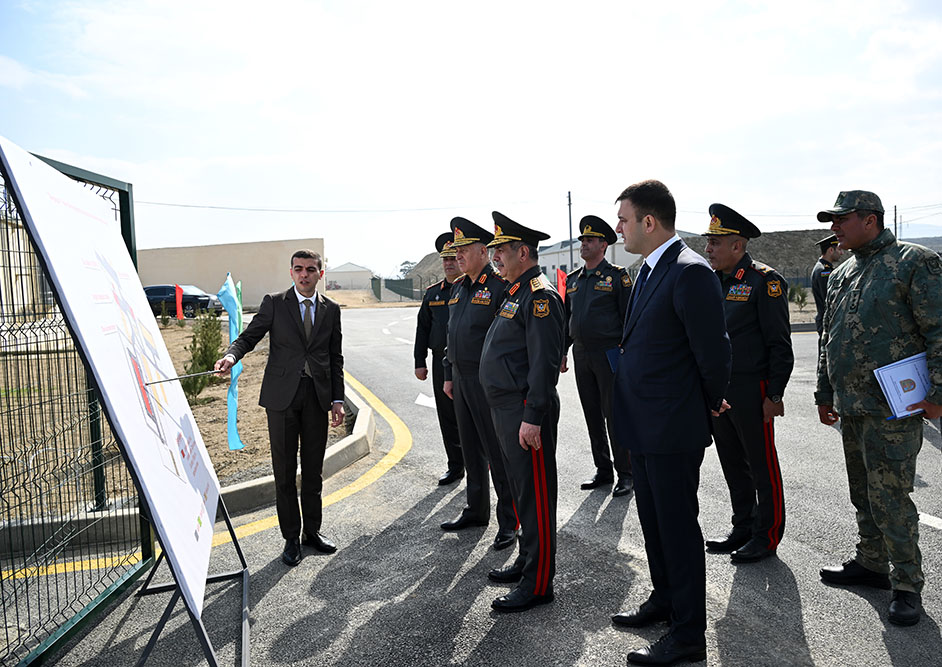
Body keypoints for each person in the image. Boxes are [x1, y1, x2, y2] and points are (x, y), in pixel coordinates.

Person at [610, 180, 730, 666]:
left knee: (678, 529)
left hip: (671, 426)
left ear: (649, 222)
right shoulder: (647, 271)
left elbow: (714, 352)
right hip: (644, 422)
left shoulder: (689, 272)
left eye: (623, 219)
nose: (618, 227)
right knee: (654, 524)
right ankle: (665, 600)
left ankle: (687, 635)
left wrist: (705, 402)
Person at [815, 190, 942, 626]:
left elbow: (939, 329)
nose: (834, 228)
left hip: (894, 405)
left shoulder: (914, 261)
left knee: (890, 496)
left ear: (869, 220)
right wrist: (823, 392)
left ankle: (907, 584)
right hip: (850, 403)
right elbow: (827, 337)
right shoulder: (841, 272)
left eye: (841, 219)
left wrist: (938, 394)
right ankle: (872, 564)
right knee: (861, 491)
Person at [214, 250, 344, 566]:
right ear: (291, 272)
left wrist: (337, 399)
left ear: (320, 274)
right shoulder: (276, 302)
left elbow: (335, 357)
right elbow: (250, 336)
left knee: (313, 471)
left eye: (311, 270)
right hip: (281, 399)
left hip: (316, 398)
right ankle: (290, 539)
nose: (304, 275)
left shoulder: (331, 310)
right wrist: (232, 356)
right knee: (284, 472)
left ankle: (312, 533)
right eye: (299, 269)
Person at [480, 211, 564, 613]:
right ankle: (528, 560)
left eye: (501, 250)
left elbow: (543, 364)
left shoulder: (540, 296)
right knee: (521, 490)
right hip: (506, 407)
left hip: (524, 412)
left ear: (523, 252)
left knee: (536, 497)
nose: (495, 257)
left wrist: (532, 415)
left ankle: (538, 582)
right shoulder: (515, 291)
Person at [702, 204, 794, 564]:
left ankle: (767, 535)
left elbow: (779, 344)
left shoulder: (764, 281)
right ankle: (742, 525)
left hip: (752, 389)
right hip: (720, 390)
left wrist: (774, 393)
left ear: (737, 246)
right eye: (708, 242)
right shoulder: (713, 281)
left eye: (714, 243)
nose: (708, 249)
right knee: (731, 462)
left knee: (761, 463)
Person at [440, 217, 518, 552]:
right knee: (470, 448)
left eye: (464, 249)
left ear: (483, 252)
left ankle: (509, 521)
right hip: (459, 378)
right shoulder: (459, 288)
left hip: (487, 380)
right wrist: (447, 373)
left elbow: (509, 337)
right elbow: (451, 335)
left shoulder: (499, 286)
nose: (457, 256)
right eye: (455, 250)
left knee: (498, 453)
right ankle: (476, 509)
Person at [562, 215, 633, 497]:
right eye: (582, 240)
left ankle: (626, 473)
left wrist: (628, 356)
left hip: (610, 354)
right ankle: (602, 469)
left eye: (589, 240)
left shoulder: (618, 276)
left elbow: (629, 319)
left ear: (603, 245)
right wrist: (562, 353)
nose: (584, 244)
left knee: (614, 414)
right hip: (582, 354)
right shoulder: (572, 280)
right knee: (592, 414)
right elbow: (568, 320)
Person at [414, 233, 464, 486]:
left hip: (466, 363)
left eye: (453, 258)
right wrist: (419, 361)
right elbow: (422, 328)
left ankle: (480, 460)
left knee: (470, 415)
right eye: (445, 259)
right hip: (438, 362)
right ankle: (455, 465)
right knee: (447, 415)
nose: (448, 263)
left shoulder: (472, 290)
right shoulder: (433, 293)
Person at [811, 234, 843, 337]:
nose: (842, 253)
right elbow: (829, 299)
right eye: (839, 249)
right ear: (831, 250)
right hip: (828, 322)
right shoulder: (824, 271)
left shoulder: (822, 268)